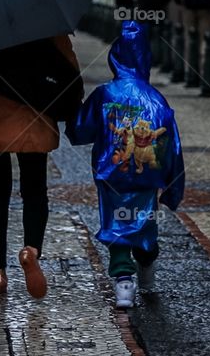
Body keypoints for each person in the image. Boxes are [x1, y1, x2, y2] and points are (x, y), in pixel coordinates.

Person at [0, 34, 81, 299]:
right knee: (34, 190)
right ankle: (30, 250)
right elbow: (69, 66)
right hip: (34, 110)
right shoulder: (46, 17)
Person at [67, 21, 184, 308]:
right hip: (146, 175)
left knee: (115, 221)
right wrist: (172, 185)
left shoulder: (105, 94)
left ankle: (124, 281)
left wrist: (73, 108)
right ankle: (146, 262)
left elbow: (80, 130)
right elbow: (172, 147)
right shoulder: (157, 100)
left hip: (111, 174)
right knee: (144, 219)